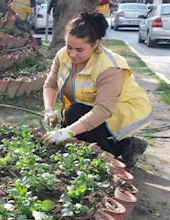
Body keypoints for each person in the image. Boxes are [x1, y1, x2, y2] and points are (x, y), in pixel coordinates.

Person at [41, 12, 152, 168]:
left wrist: (66, 132)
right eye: (69, 47)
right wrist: (49, 110)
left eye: (79, 50)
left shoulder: (109, 66)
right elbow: (51, 84)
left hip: (119, 109)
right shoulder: (62, 55)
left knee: (75, 118)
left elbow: (103, 109)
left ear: (95, 44)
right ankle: (102, 143)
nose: (72, 54)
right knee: (73, 118)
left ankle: (127, 145)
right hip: (87, 107)